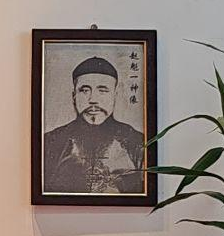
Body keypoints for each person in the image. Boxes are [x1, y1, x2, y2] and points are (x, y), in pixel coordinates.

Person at [40, 55, 146, 195]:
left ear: (115, 95)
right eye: (84, 90)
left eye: (102, 90)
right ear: (74, 96)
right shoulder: (50, 142)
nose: (93, 100)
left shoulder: (137, 142)